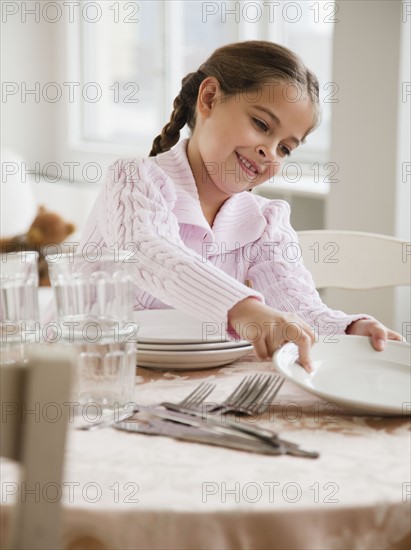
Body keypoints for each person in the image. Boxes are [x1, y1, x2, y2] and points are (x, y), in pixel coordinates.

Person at [79, 41, 402, 371]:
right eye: (262, 125)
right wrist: (243, 308)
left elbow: (296, 304)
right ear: (209, 99)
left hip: (194, 384)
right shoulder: (135, 179)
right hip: (88, 373)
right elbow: (150, 253)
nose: (270, 152)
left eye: (286, 149)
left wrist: (347, 330)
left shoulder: (265, 222)